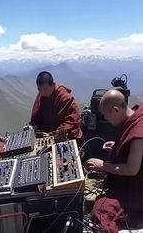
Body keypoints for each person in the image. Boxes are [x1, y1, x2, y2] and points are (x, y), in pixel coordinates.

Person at [85, 89, 143, 233]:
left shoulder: (138, 134)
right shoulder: (136, 115)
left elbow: (132, 169)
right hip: (130, 182)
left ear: (116, 110)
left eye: (106, 115)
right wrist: (116, 146)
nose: (106, 119)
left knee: (101, 210)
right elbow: (130, 150)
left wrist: (103, 166)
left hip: (136, 190)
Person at [30, 71, 83, 144]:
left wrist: (53, 134)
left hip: (64, 138)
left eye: (45, 89)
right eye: (39, 89)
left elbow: (73, 121)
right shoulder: (42, 96)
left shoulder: (64, 97)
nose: (42, 92)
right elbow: (36, 115)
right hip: (47, 135)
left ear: (52, 85)